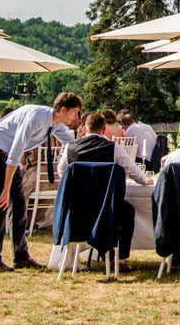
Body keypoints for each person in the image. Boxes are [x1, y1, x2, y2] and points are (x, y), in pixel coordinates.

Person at [0, 91, 82, 271]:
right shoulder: (36, 118)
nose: (76, 117)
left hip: (8, 158)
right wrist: (5, 190)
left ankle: (21, 257)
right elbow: (14, 154)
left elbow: (73, 144)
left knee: (19, 207)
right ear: (63, 110)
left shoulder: (56, 124)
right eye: (75, 112)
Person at [55, 110, 145, 273]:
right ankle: (120, 258)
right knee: (127, 211)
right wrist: (145, 180)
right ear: (104, 130)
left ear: (84, 129)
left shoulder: (70, 148)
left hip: (78, 209)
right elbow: (132, 170)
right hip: (106, 208)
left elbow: (62, 172)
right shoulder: (113, 148)